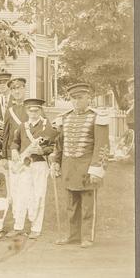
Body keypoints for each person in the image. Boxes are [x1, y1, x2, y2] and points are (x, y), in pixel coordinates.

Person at [48, 83, 110, 248]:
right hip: (69, 168)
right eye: (73, 98)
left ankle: (87, 237)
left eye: (80, 98)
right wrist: (55, 162)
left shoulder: (97, 117)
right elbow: (59, 145)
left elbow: (102, 146)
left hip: (87, 168)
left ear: (88, 98)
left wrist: (97, 169)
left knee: (88, 205)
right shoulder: (65, 118)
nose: (76, 102)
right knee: (71, 205)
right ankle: (73, 236)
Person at [7, 97, 57, 239]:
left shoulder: (47, 126)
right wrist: (14, 150)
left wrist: (44, 151)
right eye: (30, 110)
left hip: (40, 164)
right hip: (24, 164)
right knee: (21, 195)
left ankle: (36, 228)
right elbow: (15, 141)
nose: (33, 113)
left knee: (39, 195)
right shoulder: (23, 126)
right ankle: (18, 227)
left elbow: (54, 145)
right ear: (26, 111)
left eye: (36, 110)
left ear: (40, 110)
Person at [2, 76, 28, 157]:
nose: (17, 92)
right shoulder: (9, 111)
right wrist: (4, 156)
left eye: (19, 88)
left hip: (28, 151)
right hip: (13, 153)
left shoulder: (33, 108)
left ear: (24, 89)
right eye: (13, 89)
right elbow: (6, 134)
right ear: (11, 92)